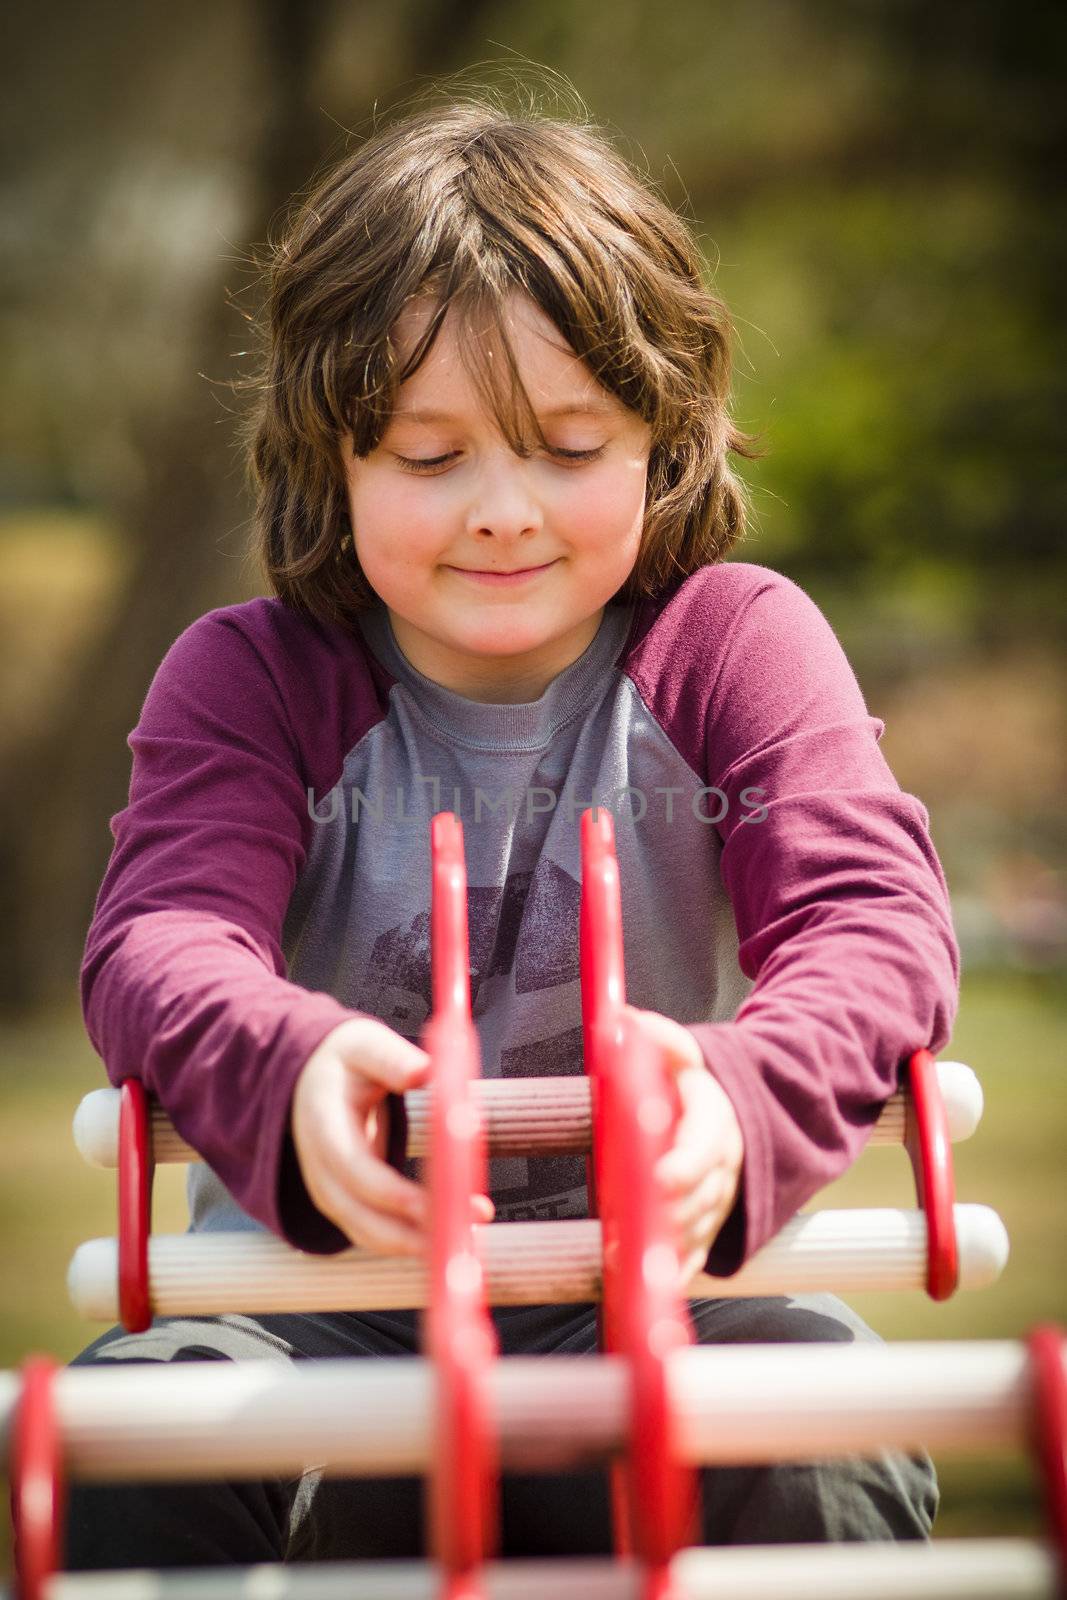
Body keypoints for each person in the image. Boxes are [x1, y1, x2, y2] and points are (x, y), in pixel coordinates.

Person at [64, 89, 956, 1569]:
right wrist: (284, 1065)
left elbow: (874, 923)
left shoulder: (737, 643)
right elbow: (158, 940)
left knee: (827, 1432)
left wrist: (744, 1094)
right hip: (310, 1311)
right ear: (327, 460)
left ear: (661, 440)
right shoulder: (252, 678)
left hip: (659, 1291)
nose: (500, 509)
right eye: (427, 457)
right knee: (137, 1438)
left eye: (564, 443)